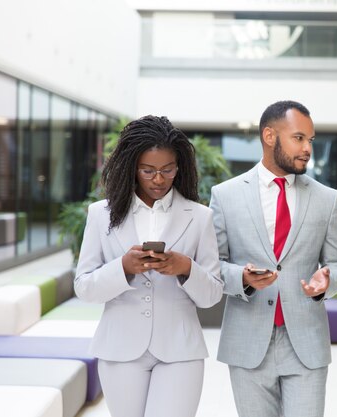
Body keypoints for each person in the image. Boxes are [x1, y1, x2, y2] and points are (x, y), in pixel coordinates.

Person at [74, 115, 223, 417]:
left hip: (180, 350)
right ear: (132, 168)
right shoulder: (100, 215)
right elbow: (84, 287)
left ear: (179, 168)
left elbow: (212, 295)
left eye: (168, 170)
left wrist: (185, 267)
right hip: (119, 348)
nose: (159, 179)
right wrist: (124, 267)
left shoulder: (200, 216)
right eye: (148, 170)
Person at [210, 100, 337, 417]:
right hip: (247, 341)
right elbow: (212, 266)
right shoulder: (225, 195)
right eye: (298, 138)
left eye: (310, 140)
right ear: (270, 136)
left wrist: (327, 280)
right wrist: (242, 278)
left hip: (305, 343)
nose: (307, 149)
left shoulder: (326, 198)